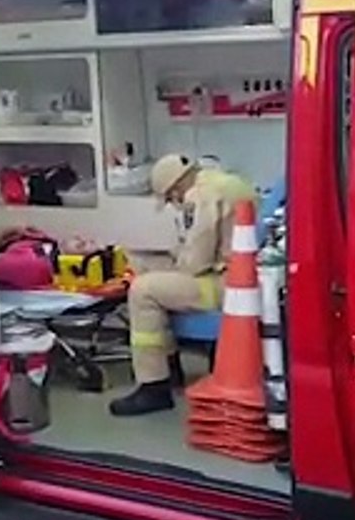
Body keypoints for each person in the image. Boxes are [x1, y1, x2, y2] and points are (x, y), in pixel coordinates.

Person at [109, 154, 258, 417]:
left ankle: (153, 384)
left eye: (170, 199)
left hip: (226, 286)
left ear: (175, 189)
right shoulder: (226, 182)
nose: (173, 204)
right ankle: (169, 368)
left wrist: (172, 265)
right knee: (153, 276)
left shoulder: (199, 196)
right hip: (245, 279)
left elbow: (196, 261)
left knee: (142, 290)